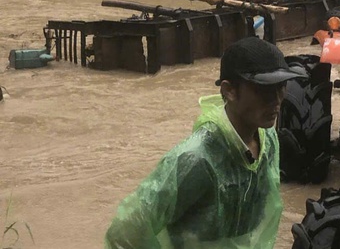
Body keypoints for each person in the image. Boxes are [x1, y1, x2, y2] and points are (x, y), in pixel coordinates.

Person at [104, 36, 307, 249]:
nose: (276, 100)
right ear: (229, 91)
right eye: (264, 89)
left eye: (281, 86)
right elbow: (126, 231)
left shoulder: (268, 139)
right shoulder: (196, 158)